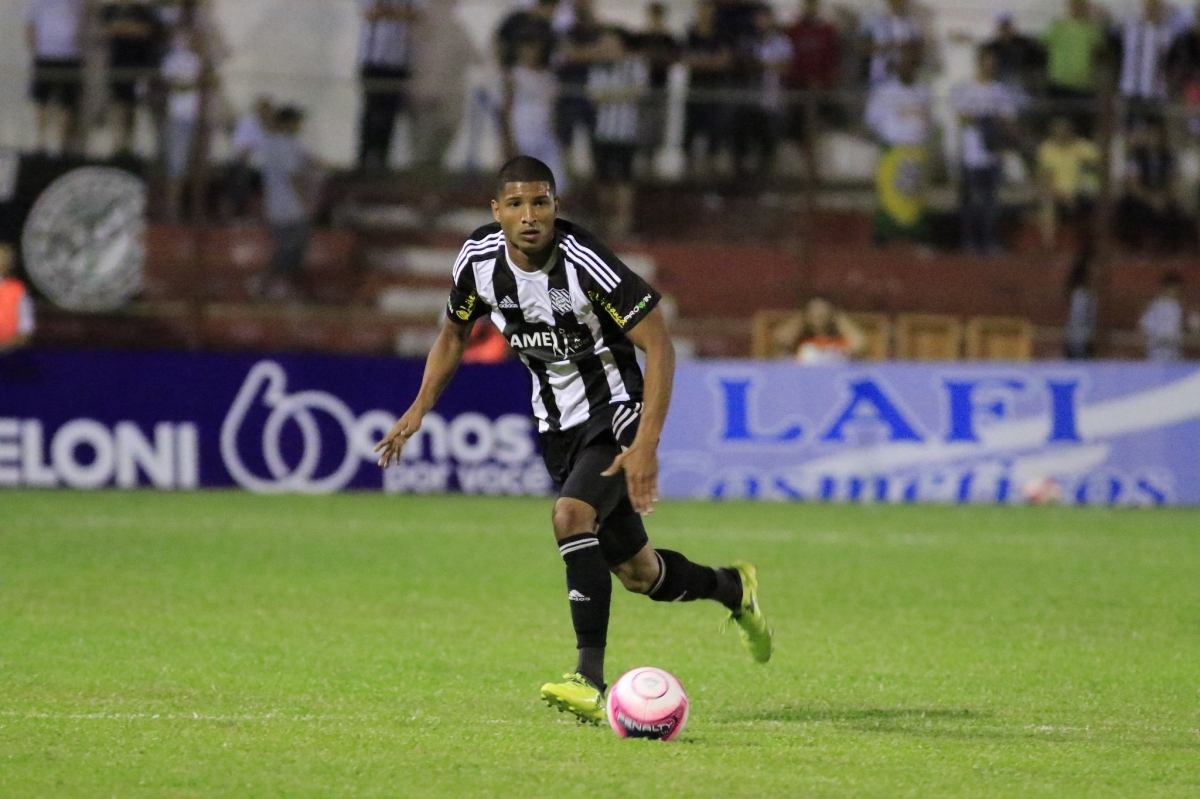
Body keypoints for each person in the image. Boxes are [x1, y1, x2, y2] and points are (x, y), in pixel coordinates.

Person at [374, 156, 773, 726]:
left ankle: (588, 678)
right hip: (556, 425)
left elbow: (659, 344)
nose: (529, 216)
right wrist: (417, 409)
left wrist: (647, 444)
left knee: (570, 516)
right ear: (497, 211)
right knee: (638, 574)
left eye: (540, 203)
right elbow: (454, 332)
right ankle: (733, 589)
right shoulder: (478, 261)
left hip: (616, 408)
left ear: (556, 207)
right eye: (516, 204)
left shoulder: (586, 263)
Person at [951, 48, 1020, 255]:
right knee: (971, 200)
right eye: (987, 62)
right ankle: (970, 241)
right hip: (972, 153)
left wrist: (987, 120)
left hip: (993, 152)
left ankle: (989, 240)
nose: (991, 66)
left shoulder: (1000, 90)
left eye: (993, 63)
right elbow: (962, 116)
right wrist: (988, 118)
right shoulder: (966, 88)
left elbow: (1009, 119)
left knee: (991, 201)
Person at [865, 45, 933, 248]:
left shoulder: (923, 91)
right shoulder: (885, 91)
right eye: (905, 64)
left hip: (916, 151)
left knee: (913, 194)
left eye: (913, 64)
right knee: (890, 193)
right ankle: (882, 236)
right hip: (894, 151)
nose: (909, 69)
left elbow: (928, 120)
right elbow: (871, 120)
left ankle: (915, 234)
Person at [588, 28, 649, 239]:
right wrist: (623, 93)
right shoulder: (598, 68)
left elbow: (639, 90)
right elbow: (594, 95)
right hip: (603, 131)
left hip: (626, 132)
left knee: (624, 178)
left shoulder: (634, 65)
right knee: (604, 179)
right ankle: (606, 222)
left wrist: (611, 94)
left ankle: (622, 223)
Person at [252, 106, 315, 302]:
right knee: (290, 246)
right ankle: (269, 283)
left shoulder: (274, 143)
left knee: (286, 245)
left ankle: (274, 284)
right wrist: (305, 202)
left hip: (277, 204)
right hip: (289, 205)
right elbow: (293, 175)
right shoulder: (285, 144)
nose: (300, 127)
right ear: (288, 124)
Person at [729, 6, 793, 180]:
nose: (762, 22)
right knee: (744, 141)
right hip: (749, 100)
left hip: (770, 100)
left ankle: (766, 178)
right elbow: (742, 65)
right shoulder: (747, 41)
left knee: (768, 145)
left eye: (765, 18)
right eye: (759, 18)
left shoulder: (781, 42)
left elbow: (785, 66)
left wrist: (762, 66)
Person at [358, 0, 421, 172]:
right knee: (371, 111)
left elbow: (416, 15)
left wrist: (390, 11)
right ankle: (364, 160)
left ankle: (381, 159)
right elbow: (370, 11)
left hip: (399, 63)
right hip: (374, 60)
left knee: (390, 114)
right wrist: (398, 12)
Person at [785, 0, 843, 182]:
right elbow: (789, 60)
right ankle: (805, 172)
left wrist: (824, 82)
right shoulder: (794, 30)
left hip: (821, 89)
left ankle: (816, 171)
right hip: (799, 89)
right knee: (800, 133)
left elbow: (833, 60)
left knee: (817, 131)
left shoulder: (827, 30)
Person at [100, 0, 167, 156]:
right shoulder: (112, 9)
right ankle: (121, 146)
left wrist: (125, 28)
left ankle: (154, 147)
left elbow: (152, 30)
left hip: (144, 65)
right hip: (120, 66)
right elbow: (107, 28)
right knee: (122, 107)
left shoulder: (147, 11)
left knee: (149, 107)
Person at [504, 41, 567, 193]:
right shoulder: (514, 75)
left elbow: (553, 107)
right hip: (522, 130)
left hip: (545, 131)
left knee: (553, 181)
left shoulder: (548, 78)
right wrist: (509, 137)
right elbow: (507, 106)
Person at [1115, 121, 1186, 251]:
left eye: (1157, 135)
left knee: (1177, 212)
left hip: (1163, 196)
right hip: (1142, 197)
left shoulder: (1169, 156)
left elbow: (1174, 180)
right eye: (1150, 135)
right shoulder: (1135, 156)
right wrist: (1150, 199)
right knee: (1128, 208)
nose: (1153, 139)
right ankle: (1135, 246)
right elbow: (1133, 184)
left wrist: (1162, 197)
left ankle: (1168, 248)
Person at [26, 0, 85, 156]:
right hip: (46, 55)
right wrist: (35, 52)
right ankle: (40, 143)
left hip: (71, 56)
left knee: (67, 103)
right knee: (42, 101)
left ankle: (61, 145)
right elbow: (30, 25)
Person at [554, 0, 605, 175]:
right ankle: (565, 176)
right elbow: (567, 54)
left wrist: (582, 54)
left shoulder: (600, 32)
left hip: (592, 92)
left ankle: (593, 176)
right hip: (570, 91)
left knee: (596, 139)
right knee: (565, 139)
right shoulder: (566, 31)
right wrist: (589, 53)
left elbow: (603, 53)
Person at [683, 0, 733, 178]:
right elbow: (687, 59)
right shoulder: (691, 33)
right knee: (689, 138)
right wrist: (709, 61)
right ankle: (689, 178)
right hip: (695, 92)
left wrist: (703, 61)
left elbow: (723, 61)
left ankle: (711, 178)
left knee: (714, 139)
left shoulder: (722, 33)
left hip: (715, 93)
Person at [1042, 0, 1105, 136]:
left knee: (1082, 127)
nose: (1077, 8)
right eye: (1074, 5)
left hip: (1083, 86)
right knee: (1059, 125)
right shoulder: (1058, 26)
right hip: (1059, 84)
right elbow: (1043, 45)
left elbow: (1100, 50)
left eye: (1080, 5)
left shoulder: (1091, 29)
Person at [1037, 116, 1100, 248]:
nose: (1061, 134)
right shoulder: (1046, 149)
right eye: (1057, 131)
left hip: (1085, 191)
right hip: (1060, 193)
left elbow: (1097, 170)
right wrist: (1064, 195)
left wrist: (1078, 191)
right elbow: (1045, 179)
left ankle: (1097, 242)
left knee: (1094, 198)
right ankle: (1048, 244)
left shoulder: (1085, 147)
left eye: (1064, 131)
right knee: (1047, 199)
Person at [161, 27, 202, 221]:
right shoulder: (172, 60)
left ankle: (190, 206)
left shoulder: (199, 61)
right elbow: (173, 85)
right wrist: (198, 83)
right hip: (179, 116)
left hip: (196, 118)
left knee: (192, 164)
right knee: (176, 165)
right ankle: (172, 208)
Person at [631, 3, 679, 162]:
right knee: (642, 126)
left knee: (658, 127)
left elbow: (673, 58)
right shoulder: (640, 38)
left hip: (660, 87)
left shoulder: (668, 39)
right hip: (642, 87)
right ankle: (642, 158)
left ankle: (653, 160)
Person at [774, 296, 867, 364]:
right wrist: (801, 318)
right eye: (813, 312)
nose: (819, 315)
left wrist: (839, 318)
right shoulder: (799, 342)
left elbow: (860, 345)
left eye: (823, 311)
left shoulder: (842, 341)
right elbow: (781, 341)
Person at [228, 95, 273, 221]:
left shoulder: (275, 128)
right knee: (241, 174)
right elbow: (241, 151)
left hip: (268, 166)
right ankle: (239, 213)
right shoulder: (247, 125)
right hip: (249, 165)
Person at [860, 0, 924, 86]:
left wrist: (906, 47)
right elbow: (862, 47)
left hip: (904, 79)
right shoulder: (873, 21)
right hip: (878, 77)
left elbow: (917, 48)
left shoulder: (912, 23)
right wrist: (888, 46)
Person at [982, 13, 1046, 98]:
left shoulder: (1027, 45)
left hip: (1024, 82)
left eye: (1007, 27)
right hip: (1000, 83)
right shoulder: (992, 47)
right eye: (1002, 28)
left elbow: (1039, 63)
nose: (1005, 31)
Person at [496, 0, 559, 71]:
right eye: (550, 10)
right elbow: (499, 38)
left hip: (536, 71)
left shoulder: (547, 27)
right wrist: (500, 64)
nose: (552, 14)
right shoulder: (518, 19)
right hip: (511, 66)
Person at [1140, 272, 1185, 361]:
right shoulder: (1157, 306)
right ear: (1165, 288)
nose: (1175, 292)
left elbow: (1177, 327)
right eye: (1172, 289)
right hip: (1158, 348)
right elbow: (1144, 325)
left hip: (1174, 347)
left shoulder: (1177, 306)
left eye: (1177, 289)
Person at [1063, 245, 1097, 359]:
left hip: (1083, 340)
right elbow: (1077, 319)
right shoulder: (1081, 296)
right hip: (1078, 343)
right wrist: (1080, 341)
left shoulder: (1087, 295)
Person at [0, 245, 35, 354]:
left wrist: (5, 347)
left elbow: (26, 330)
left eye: (5, 259)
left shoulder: (17, 290)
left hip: (10, 355)